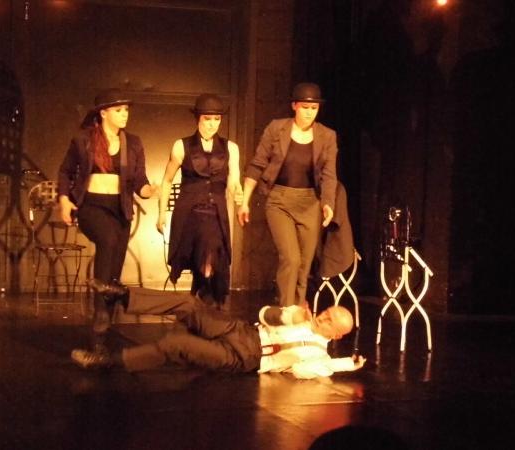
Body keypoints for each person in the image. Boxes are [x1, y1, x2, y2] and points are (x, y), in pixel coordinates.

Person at [71, 289, 365, 378]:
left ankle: (108, 361)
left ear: (336, 336)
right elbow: (263, 313)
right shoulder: (300, 316)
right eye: (326, 312)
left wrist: (345, 364)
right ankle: (123, 296)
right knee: (189, 304)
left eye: (329, 321)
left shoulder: (319, 355)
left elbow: (302, 371)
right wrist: (287, 315)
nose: (323, 317)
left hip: (244, 357)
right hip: (242, 330)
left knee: (175, 344)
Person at [58, 88, 156, 334]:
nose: (125, 114)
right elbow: (65, 171)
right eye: (118, 110)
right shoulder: (83, 139)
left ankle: (105, 322)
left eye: (126, 110)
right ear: (103, 113)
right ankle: (100, 310)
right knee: (108, 239)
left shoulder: (133, 143)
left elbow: (140, 180)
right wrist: (64, 200)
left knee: (115, 265)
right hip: (91, 206)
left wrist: (148, 190)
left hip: (120, 209)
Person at [238, 82, 339, 307]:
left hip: (310, 203)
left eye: (314, 108)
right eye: (305, 107)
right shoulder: (277, 129)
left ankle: (297, 309)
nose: (309, 113)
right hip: (279, 201)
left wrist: (328, 204)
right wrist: (244, 202)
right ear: (294, 106)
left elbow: (329, 175)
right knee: (291, 259)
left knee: (304, 263)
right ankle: (286, 310)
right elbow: (257, 164)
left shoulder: (327, 136)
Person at [156, 94, 243, 308]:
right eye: (207, 119)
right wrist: (161, 214)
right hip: (190, 213)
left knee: (213, 251)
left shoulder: (230, 148)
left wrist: (238, 192)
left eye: (217, 119)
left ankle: (204, 297)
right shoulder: (182, 146)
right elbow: (167, 180)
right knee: (204, 251)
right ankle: (204, 297)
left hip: (216, 213)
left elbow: (234, 180)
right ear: (198, 119)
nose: (212, 124)